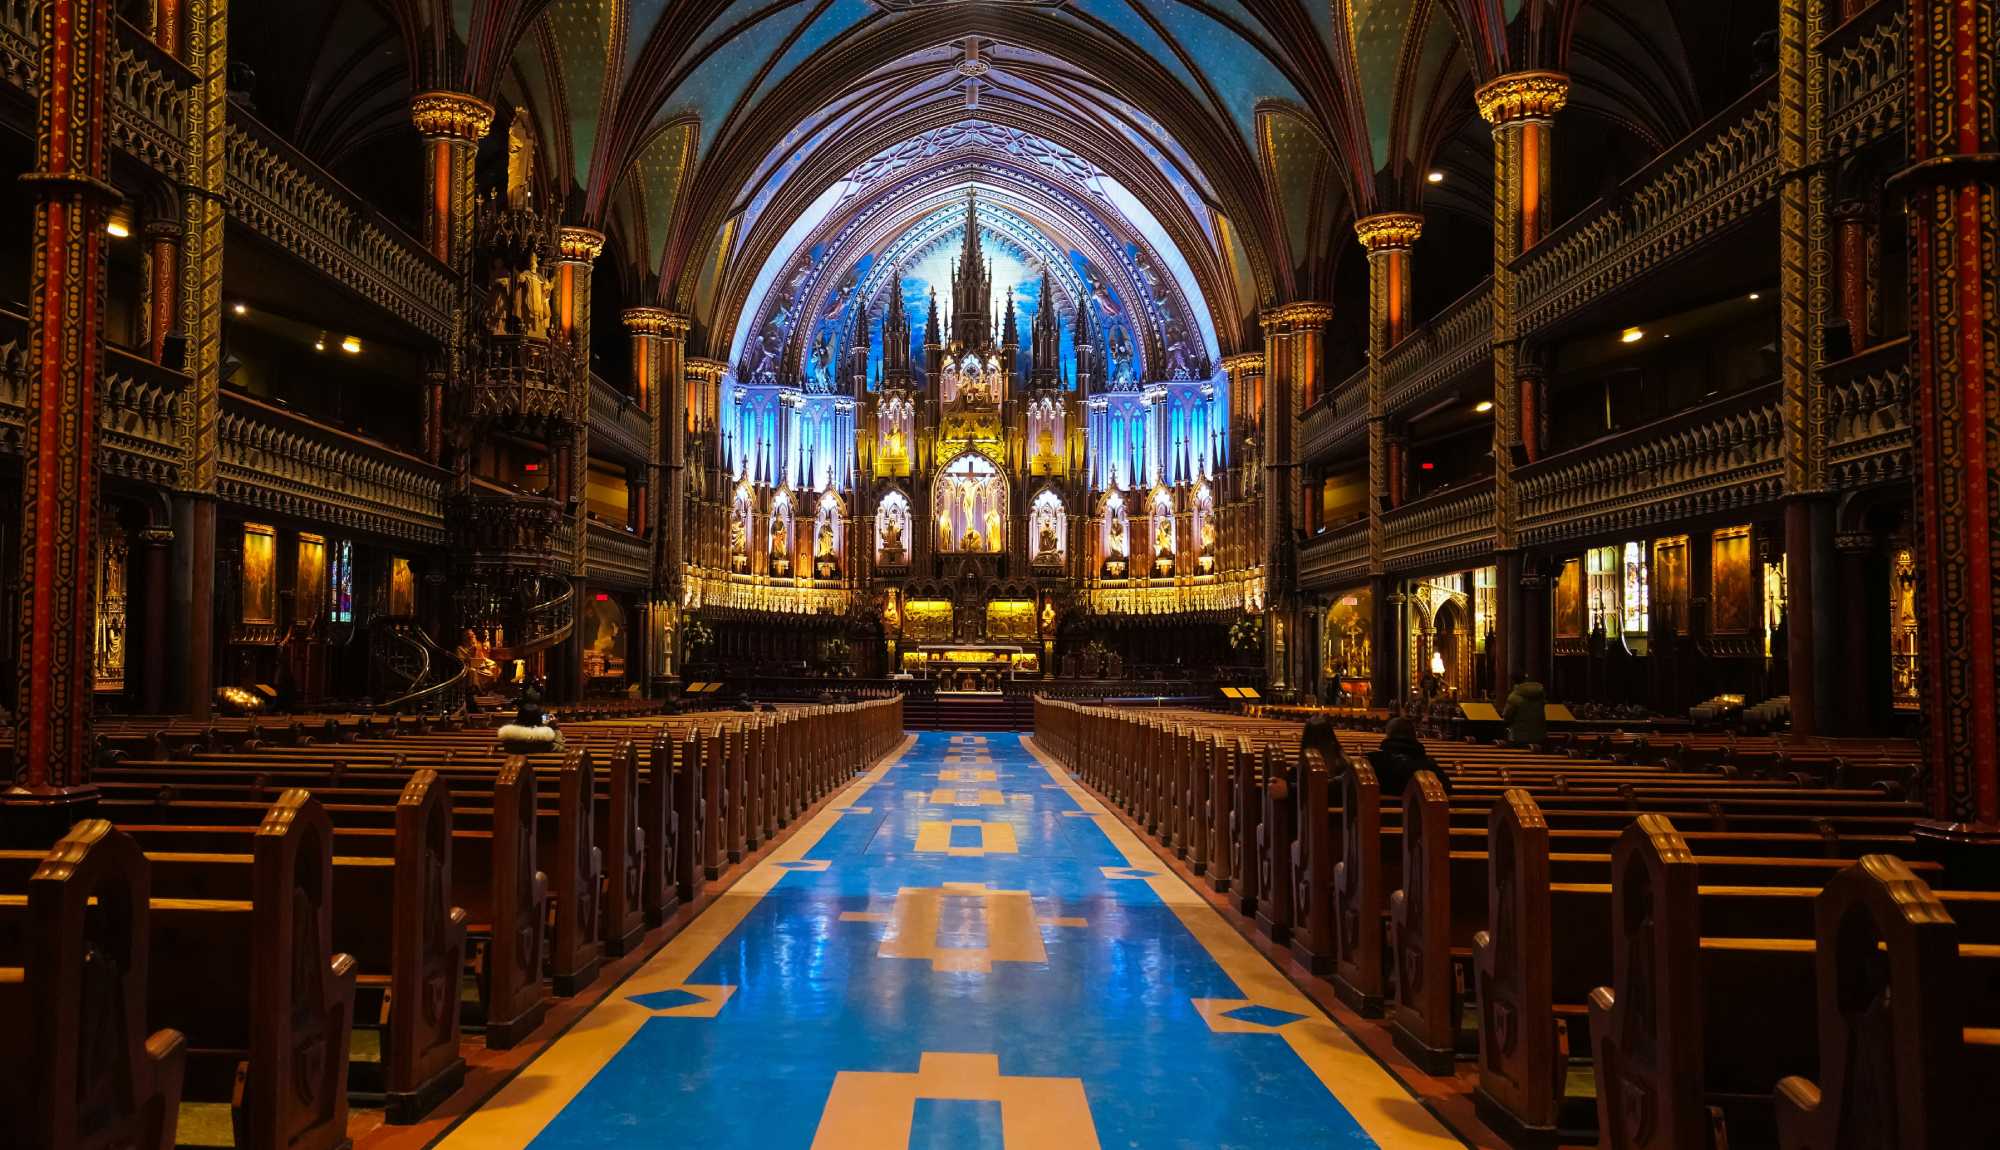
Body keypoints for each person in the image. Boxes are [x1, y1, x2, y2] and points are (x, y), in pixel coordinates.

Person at [1369, 716, 1444, 796]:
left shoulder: (1374, 761)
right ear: (1414, 735)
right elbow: (1446, 787)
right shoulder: (1429, 764)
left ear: (1388, 734)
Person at [1501, 671, 1548, 747]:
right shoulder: (1539, 694)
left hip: (1520, 737)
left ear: (1513, 681)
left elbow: (1507, 716)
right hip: (1540, 736)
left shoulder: (1514, 697)